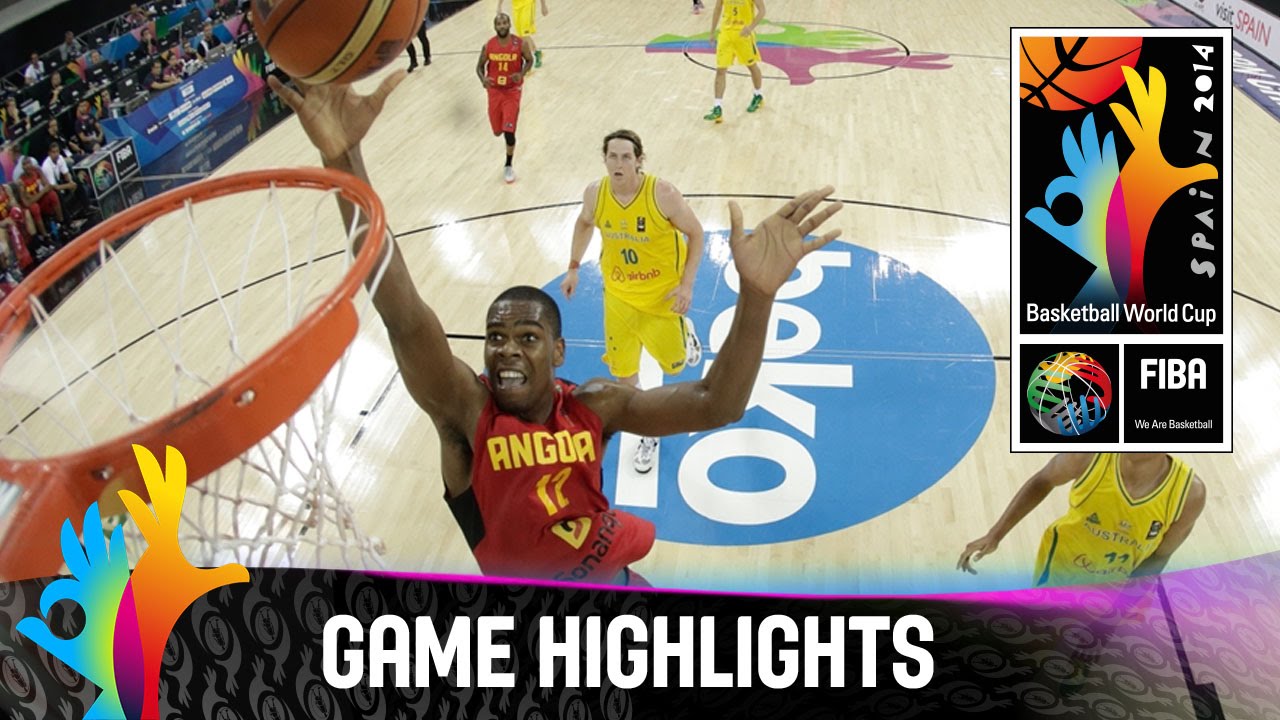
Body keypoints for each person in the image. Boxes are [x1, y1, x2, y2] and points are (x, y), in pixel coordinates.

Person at [266, 70, 842, 585]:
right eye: (496, 338)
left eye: (527, 338)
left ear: (559, 351)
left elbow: (718, 404)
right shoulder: (467, 413)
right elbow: (404, 314)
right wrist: (343, 161)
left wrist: (757, 297)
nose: (506, 350)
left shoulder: (596, 405)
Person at [560, 130, 705, 473]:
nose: (619, 163)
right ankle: (648, 432)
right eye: (612, 156)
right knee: (624, 375)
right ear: (605, 159)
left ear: (639, 160)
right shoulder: (595, 194)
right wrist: (573, 268)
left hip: (661, 297)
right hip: (618, 297)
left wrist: (686, 286)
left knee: (676, 365)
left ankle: (684, 333)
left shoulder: (662, 194)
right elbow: (584, 222)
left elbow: (696, 233)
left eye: (626, 157)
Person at [957, 453, 1207, 587]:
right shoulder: (1089, 455)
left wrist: (1118, 611)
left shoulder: (1189, 494)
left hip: (1118, 585)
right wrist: (995, 534)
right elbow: (1043, 480)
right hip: (1062, 568)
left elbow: (1160, 556)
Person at [476, 13, 533, 184]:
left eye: (504, 23)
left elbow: (529, 60)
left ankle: (508, 165)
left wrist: (521, 73)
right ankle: (502, 131)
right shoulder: (488, 46)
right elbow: (479, 67)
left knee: (509, 130)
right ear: (495, 27)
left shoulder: (520, 44)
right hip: (494, 91)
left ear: (509, 25)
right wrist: (483, 79)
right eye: (499, 23)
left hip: (512, 91)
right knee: (497, 131)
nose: (502, 26)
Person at [703, 0, 765, 123]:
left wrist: (750, 27)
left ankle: (758, 95)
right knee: (720, 70)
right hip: (726, 34)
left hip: (743, 35)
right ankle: (717, 108)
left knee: (752, 66)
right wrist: (712, 31)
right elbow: (717, 8)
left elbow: (762, 11)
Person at [497, 0, 547, 69]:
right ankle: (537, 52)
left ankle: (530, 60)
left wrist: (543, 5)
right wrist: (499, 6)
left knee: (525, 34)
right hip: (516, 7)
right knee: (521, 35)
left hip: (528, 4)